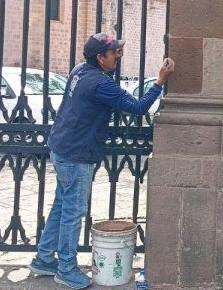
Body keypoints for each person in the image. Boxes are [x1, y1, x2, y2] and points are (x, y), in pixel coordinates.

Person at [29, 33, 175, 289]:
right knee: (73, 212)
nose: (117, 56)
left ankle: (43, 258)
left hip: (61, 146)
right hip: (77, 154)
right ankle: (66, 268)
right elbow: (139, 106)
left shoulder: (80, 71)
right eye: (113, 53)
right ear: (100, 57)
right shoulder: (100, 84)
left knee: (61, 206)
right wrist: (159, 82)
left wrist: (115, 57)